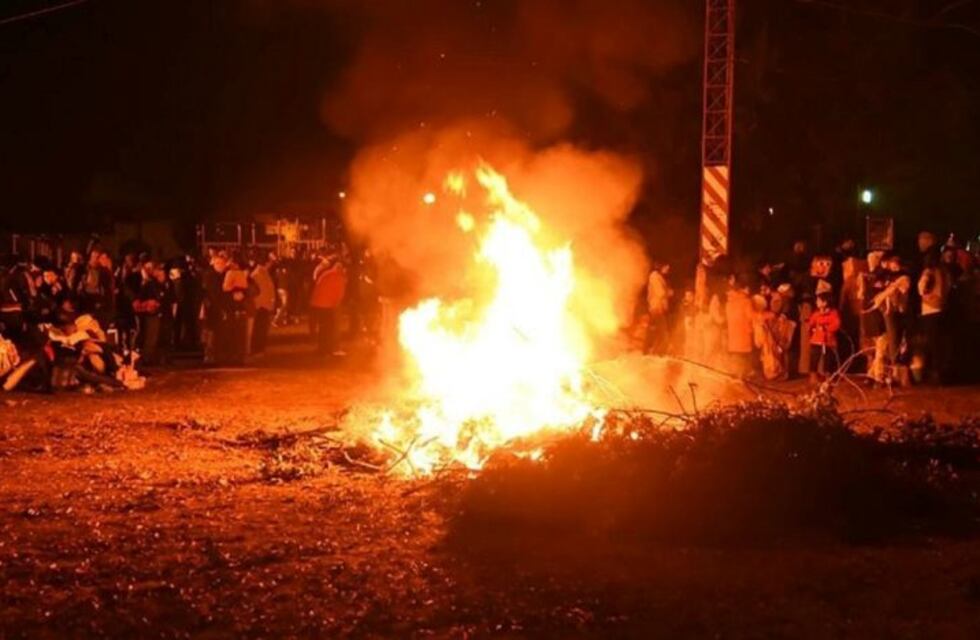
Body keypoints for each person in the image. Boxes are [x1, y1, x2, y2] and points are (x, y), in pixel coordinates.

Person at [917, 251, 949, 384]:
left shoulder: (928, 272)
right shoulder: (943, 271)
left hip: (929, 308)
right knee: (940, 343)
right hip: (942, 308)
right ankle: (942, 374)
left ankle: (934, 374)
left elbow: (921, 288)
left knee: (932, 343)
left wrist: (924, 294)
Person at [310, 251, 347, 356]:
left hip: (318, 304)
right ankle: (328, 349)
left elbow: (318, 285)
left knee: (323, 328)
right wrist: (337, 305)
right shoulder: (339, 277)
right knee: (329, 328)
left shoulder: (326, 273)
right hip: (327, 305)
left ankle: (322, 349)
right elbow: (340, 294)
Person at [808, 292, 841, 382]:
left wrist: (826, 328)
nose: (816, 302)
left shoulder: (833, 313)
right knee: (814, 358)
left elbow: (836, 324)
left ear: (825, 302)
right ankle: (813, 376)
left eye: (819, 300)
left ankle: (828, 375)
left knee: (828, 359)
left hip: (828, 341)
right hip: (816, 340)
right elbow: (811, 323)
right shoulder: (816, 314)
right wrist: (813, 328)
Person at [725, 273, 754, 375]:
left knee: (735, 357)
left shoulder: (729, 301)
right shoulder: (746, 301)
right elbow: (751, 316)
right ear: (743, 289)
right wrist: (768, 315)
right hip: (744, 333)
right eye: (748, 288)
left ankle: (734, 374)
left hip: (733, 334)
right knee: (744, 357)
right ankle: (742, 375)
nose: (749, 291)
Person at [250, 253, 276, 356]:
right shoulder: (257, 274)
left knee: (262, 328)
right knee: (259, 329)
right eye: (270, 262)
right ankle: (257, 349)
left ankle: (260, 348)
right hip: (260, 305)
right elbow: (260, 290)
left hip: (264, 304)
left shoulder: (263, 273)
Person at [645, 261, 673, 354]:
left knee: (658, 332)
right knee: (661, 333)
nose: (668, 269)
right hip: (656, 308)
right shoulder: (654, 276)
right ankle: (655, 352)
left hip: (658, 308)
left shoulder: (658, 277)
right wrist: (668, 292)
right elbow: (660, 292)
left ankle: (653, 352)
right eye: (666, 266)